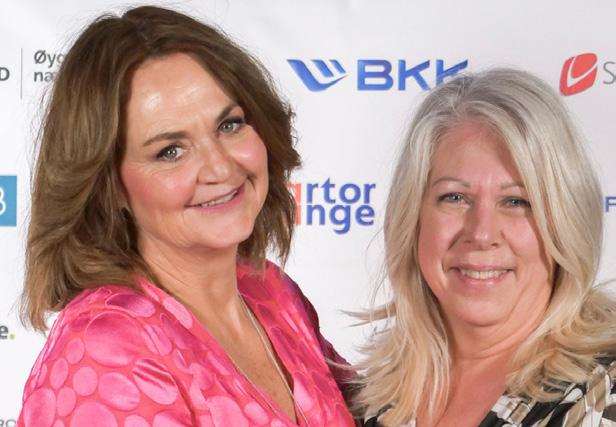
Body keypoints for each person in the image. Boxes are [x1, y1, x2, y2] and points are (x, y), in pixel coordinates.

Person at [18, 6, 355, 427]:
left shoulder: (270, 290)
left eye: (229, 125)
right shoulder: (105, 351)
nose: (220, 168)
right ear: (109, 186)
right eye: (170, 151)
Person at [357, 68, 616, 426]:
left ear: (565, 220)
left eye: (516, 201)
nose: (481, 233)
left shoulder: (604, 394)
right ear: (412, 216)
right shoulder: (369, 399)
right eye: (454, 197)